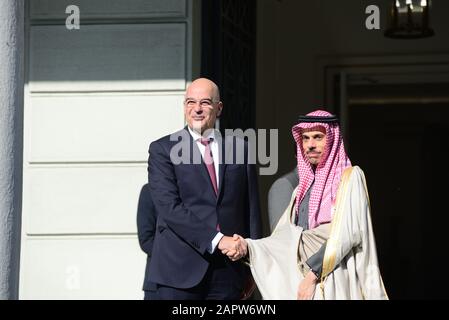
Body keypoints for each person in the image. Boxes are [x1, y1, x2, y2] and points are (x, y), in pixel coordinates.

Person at [238, 110, 388, 300]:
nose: (310, 145)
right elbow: (285, 236)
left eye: (318, 137)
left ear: (332, 139)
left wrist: (312, 275)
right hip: (303, 279)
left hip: (336, 275)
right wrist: (248, 247)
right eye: (306, 138)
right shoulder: (300, 189)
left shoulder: (350, 178)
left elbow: (347, 234)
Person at [146, 78, 262, 300]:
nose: (197, 109)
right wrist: (218, 240)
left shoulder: (240, 148)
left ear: (218, 108)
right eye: (190, 102)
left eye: (205, 102)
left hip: (230, 273)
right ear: (184, 107)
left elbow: (251, 209)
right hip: (179, 274)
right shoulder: (163, 149)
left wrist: (254, 263)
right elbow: (169, 208)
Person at [136, 183, 158, 299]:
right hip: (157, 284)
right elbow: (146, 239)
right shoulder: (150, 190)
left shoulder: (193, 190)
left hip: (195, 284)